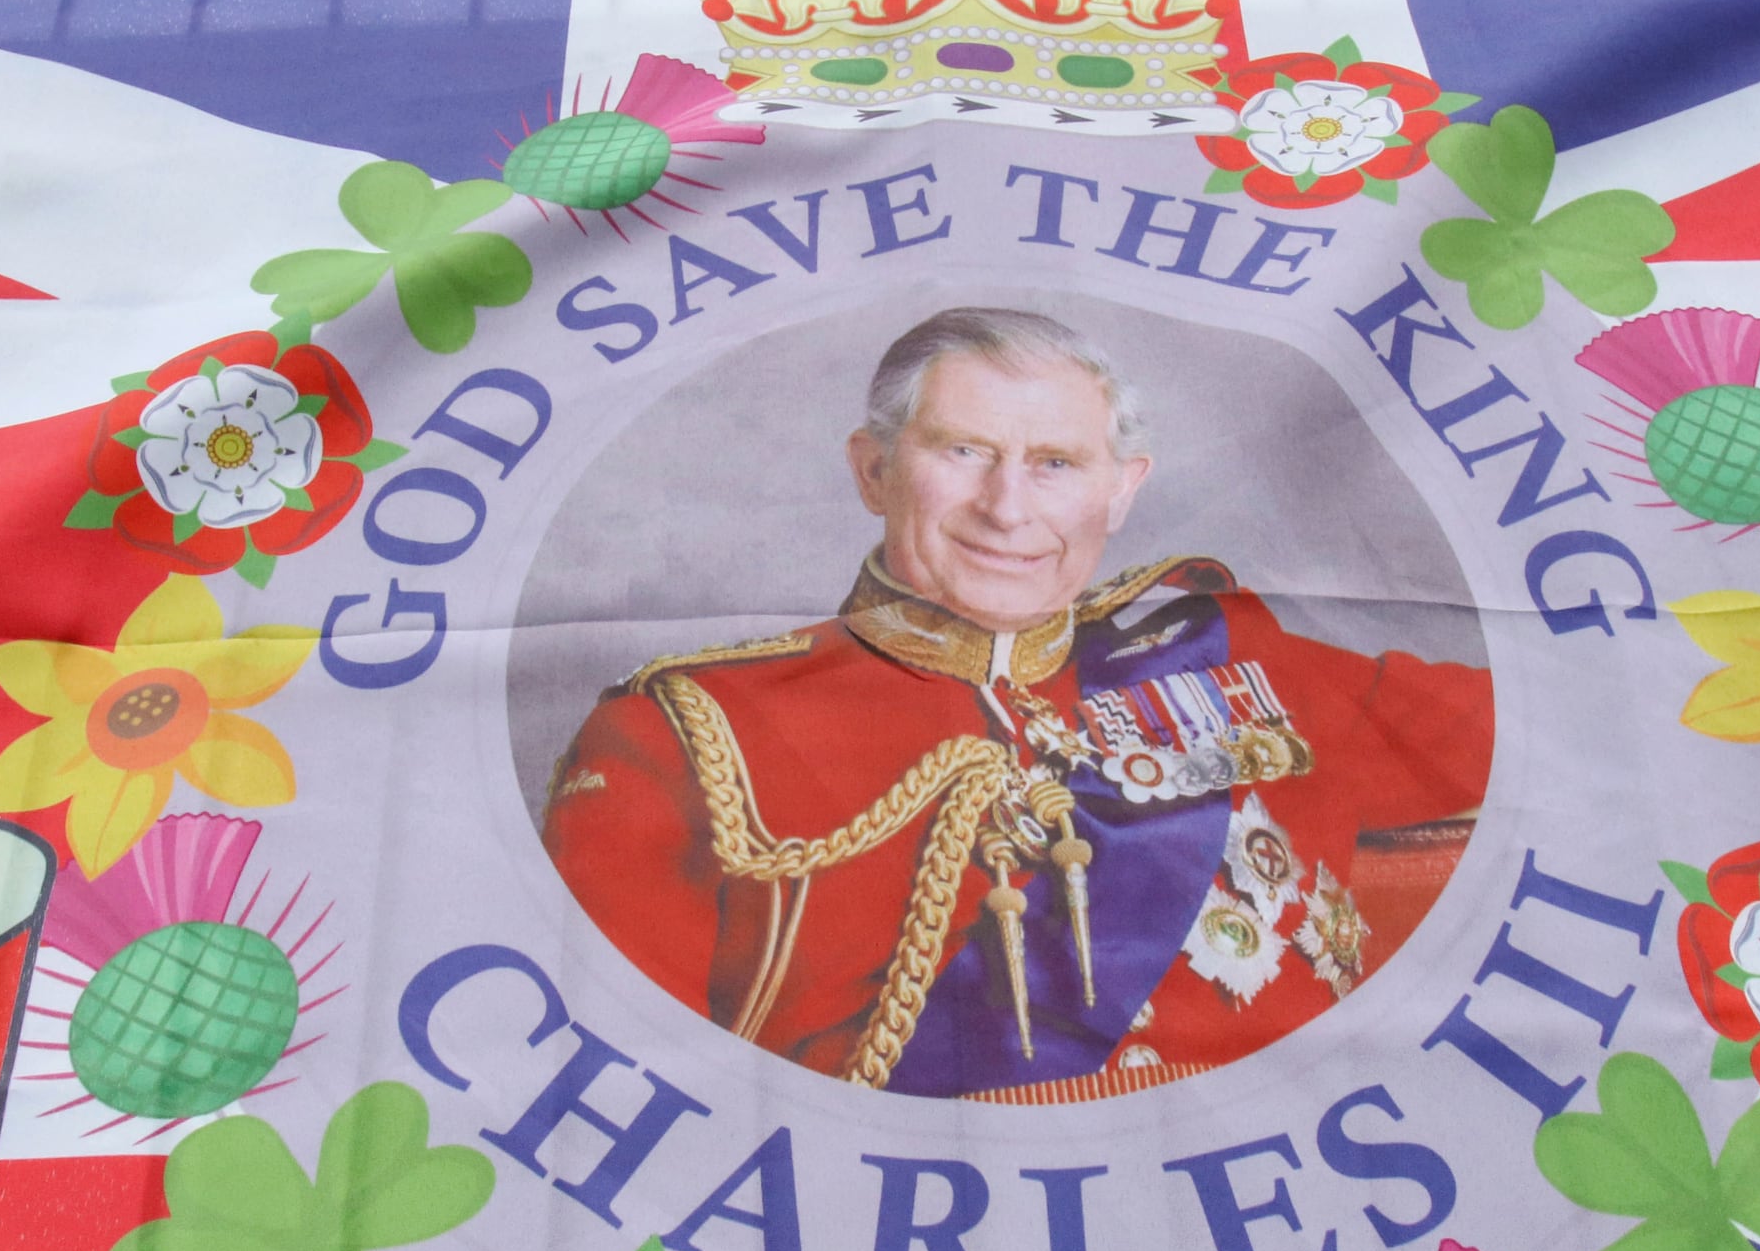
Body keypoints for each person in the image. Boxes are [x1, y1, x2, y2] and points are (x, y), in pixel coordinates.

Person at [540, 306, 1489, 1099]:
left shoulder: (1237, 664)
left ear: (1122, 491)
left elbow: (1583, 728)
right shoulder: (687, 731)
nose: (1007, 507)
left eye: (1057, 465)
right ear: (873, 470)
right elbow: (616, 1077)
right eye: (963, 450)